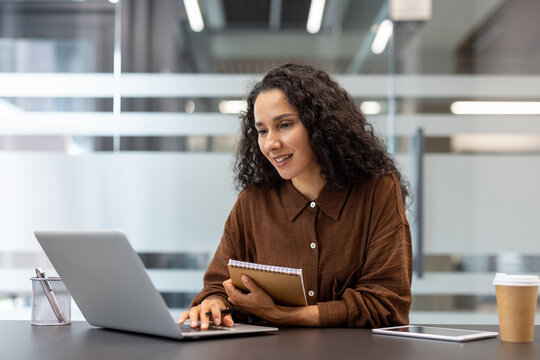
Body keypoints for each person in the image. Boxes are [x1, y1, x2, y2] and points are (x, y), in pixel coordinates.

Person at [179, 63, 412, 329]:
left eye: (285, 125)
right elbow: (218, 284)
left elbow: (386, 305)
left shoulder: (377, 191)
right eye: (262, 130)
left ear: (321, 126)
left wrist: (281, 314)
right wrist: (212, 302)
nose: (270, 144)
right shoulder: (254, 201)